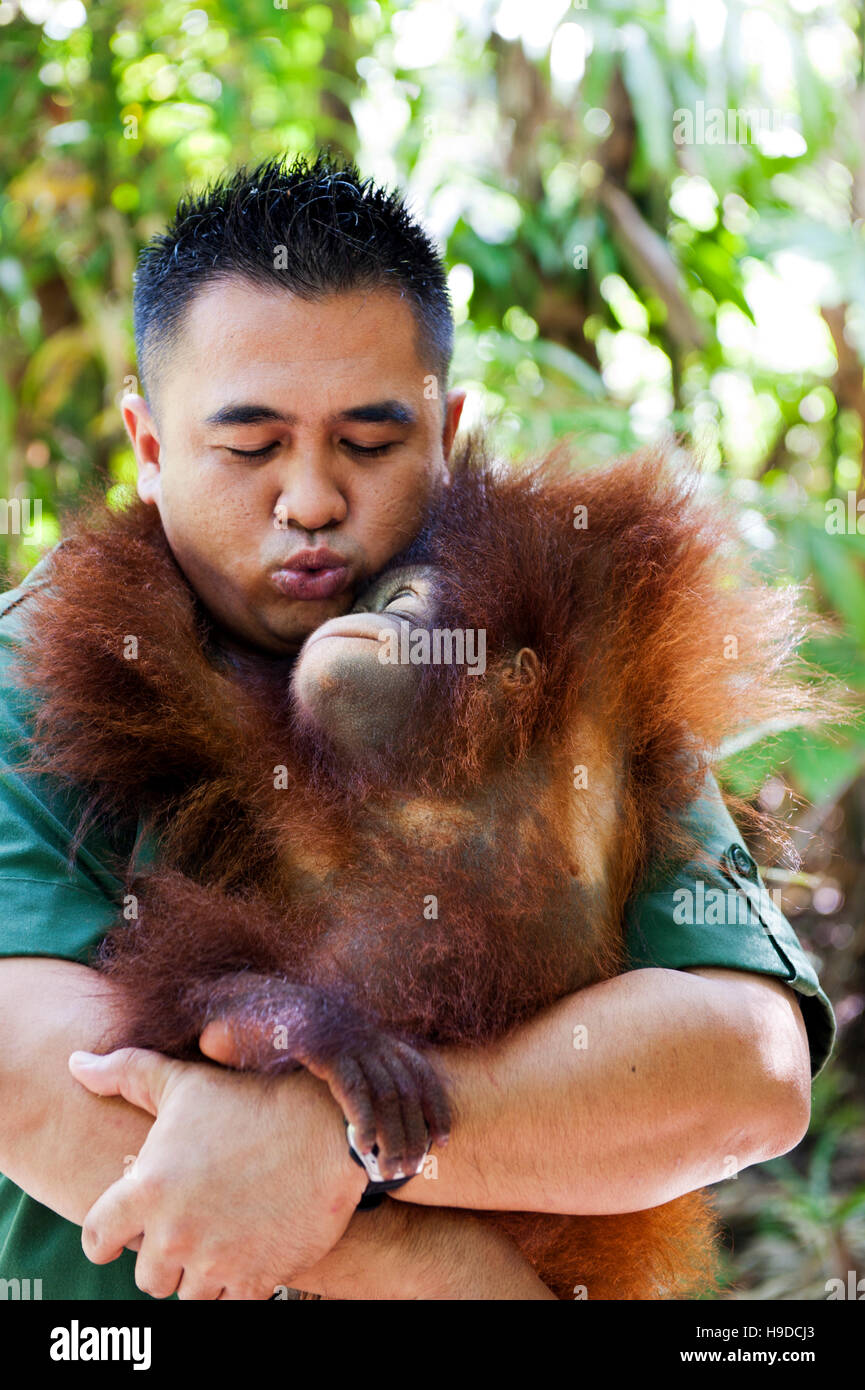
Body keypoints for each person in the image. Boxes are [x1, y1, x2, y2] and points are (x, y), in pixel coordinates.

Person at [0, 154, 834, 1301]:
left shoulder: (551, 632)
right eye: (249, 447)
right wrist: (428, 1255)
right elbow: (35, 1078)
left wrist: (361, 1134)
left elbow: (745, 1070)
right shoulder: (42, 663)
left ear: (446, 434)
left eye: (370, 443)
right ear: (147, 447)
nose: (310, 501)